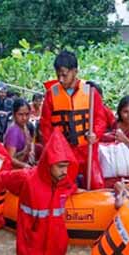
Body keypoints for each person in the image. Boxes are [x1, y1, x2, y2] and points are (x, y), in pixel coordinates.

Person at [0, 130, 78, 255]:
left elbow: (71, 187)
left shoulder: (64, 181)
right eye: (61, 166)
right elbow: (0, 179)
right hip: (30, 248)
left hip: (55, 247)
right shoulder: (27, 178)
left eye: (67, 166)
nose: (65, 171)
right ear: (49, 164)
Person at [40, 50, 111, 190]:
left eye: (64, 75)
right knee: (62, 186)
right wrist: (52, 150)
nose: (60, 79)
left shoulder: (90, 92)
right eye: (58, 75)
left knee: (97, 184)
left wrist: (95, 134)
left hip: (87, 150)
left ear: (75, 71)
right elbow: (46, 125)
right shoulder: (51, 94)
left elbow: (100, 119)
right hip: (63, 152)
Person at [3, 98, 36, 169]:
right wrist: (24, 166)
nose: (24, 118)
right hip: (13, 170)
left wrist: (31, 151)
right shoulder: (14, 131)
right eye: (20, 114)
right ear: (14, 114)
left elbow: (32, 139)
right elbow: (10, 158)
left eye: (27, 114)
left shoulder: (25, 126)